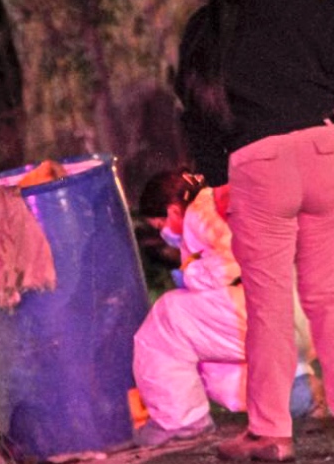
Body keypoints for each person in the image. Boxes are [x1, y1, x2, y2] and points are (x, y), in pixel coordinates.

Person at [176, 0, 334, 463]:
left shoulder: (207, 26)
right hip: (326, 154)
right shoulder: (319, 6)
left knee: (268, 306)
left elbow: (195, 111)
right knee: (329, 292)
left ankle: (271, 431)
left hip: (258, 166)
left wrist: (218, 180)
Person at [132, 169, 321, 448]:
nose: (163, 233)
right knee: (205, 354)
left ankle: (180, 422)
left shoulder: (200, 213)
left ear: (173, 210)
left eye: (160, 224)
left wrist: (191, 276)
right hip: (296, 316)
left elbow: (232, 261)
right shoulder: (230, 202)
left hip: (257, 310)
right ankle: (297, 396)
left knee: (166, 321)